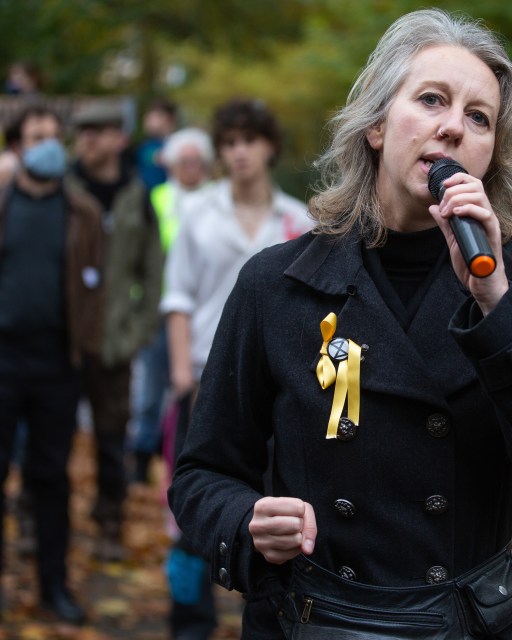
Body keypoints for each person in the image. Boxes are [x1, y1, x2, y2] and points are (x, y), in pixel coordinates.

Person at [169, 9, 512, 638]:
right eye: (431, 99)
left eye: (479, 118)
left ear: (490, 154)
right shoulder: (276, 283)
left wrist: (495, 300)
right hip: (319, 620)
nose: (454, 126)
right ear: (376, 124)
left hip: (472, 622)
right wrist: (247, 521)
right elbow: (202, 473)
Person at [161, 99, 313, 639]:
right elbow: (177, 296)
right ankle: (189, 621)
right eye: (228, 143)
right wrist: (181, 371)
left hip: (280, 387)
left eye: (249, 139)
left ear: (270, 145)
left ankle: (272, 611)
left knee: (271, 507)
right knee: (188, 509)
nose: (238, 152)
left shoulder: (301, 219)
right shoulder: (197, 214)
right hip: (204, 375)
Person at [0, 104, 103, 623]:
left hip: (57, 366)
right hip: (3, 361)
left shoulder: (80, 211)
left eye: (52, 136)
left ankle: (53, 587)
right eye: (35, 136)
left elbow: (96, 285)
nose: (47, 145)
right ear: (16, 146)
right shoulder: (2, 203)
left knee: (51, 479)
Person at [67, 100, 164, 562]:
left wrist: (138, 329)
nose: (89, 139)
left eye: (100, 130)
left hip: (114, 344)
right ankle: (37, 516)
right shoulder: (61, 190)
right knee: (49, 439)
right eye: (84, 131)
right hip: (61, 341)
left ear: (119, 138)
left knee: (110, 438)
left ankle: (109, 521)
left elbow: (152, 268)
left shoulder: (136, 194)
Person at [128, 126, 214, 485]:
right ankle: (141, 459)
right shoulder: (156, 199)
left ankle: (187, 466)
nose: (191, 167)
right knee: (150, 390)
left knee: (195, 393)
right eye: (184, 161)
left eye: (197, 161)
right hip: (158, 311)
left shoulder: (217, 203)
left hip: (202, 312)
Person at [136, 97, 179, 190]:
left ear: (167, 118)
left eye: (151, 117)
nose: (146, 121)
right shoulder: (144, 146)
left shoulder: (181, 146)